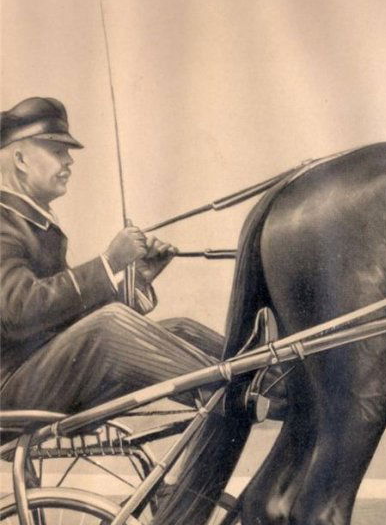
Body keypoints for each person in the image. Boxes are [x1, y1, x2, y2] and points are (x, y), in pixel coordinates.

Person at [0, 96, 226, 413]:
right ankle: (233, 394)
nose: (69, 161)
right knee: (109, 326)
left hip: (41, 375)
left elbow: (69, 318)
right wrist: (110, 262)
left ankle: (277, 382)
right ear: (21, 159)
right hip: (11, 389)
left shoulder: (36, 225)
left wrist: (139, 282)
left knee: (180, 329)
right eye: (57, 151)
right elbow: (18, 310)